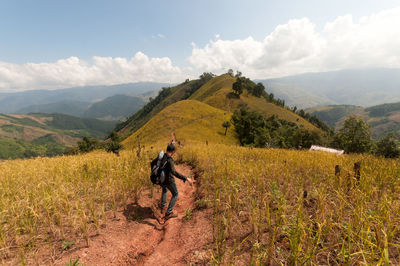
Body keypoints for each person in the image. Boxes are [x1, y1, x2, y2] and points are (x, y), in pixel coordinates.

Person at [160, 143, 193, 219]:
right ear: (173, 151)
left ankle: (163, 206)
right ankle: (168, 212)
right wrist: (186, 178)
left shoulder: (163, 156)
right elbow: (174, 172)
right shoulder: (169, 160)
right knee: (175, 194)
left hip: (162, 179)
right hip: (169, 180)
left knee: (164, 190)